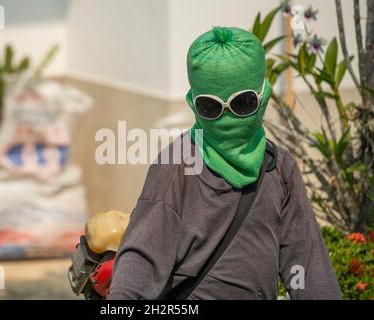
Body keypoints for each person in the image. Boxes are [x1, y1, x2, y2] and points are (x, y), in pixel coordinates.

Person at [107, 27, 341, 300]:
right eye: (211, 107)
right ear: (194, 105)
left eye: (243, 103)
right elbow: (139, 265)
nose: (228, 117)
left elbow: (305, 266)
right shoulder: (176, 169)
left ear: (262, 96)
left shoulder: (279, 168)